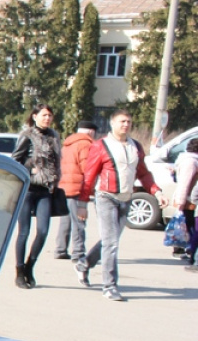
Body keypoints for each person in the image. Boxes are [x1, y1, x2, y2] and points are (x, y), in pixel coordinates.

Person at [76, 109, 164, 301]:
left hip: (126, 198)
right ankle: (110, 286)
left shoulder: (136, 146)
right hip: (106, 197)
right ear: (112, 124)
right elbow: (89, 176)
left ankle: (84, 264)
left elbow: (143, 173)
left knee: (110, 240)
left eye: (129, 121)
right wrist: (82, 203)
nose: (126, 125)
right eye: (122, 121)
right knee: (111, 243)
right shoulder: (101, 146)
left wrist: (156, 191)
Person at [10, 104, 62, 289]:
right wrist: (30, 167)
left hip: (45, 190)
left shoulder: (54, 136)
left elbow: (57, 161)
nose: (47, 118)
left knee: (43, 231)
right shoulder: (28, 135)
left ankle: (30, 266)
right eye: (44, 115)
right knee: (23, 231)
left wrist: (56, 180)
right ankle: (19, 271)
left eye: (50, 115)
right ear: (34, 116)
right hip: (28, 189)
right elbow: (15, 159)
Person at [59, 120, 98, 264]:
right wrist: (91, 188)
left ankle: (60, 249)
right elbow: (87, 169)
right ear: (91, 132)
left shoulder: (67, 144)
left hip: (64, 186)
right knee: (79, 221)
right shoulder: (86, 145)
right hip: (77, 187)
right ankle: (78, 252)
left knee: (66, 220)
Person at [171, 138, 198, 269]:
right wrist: (181, 201)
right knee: (191, 228)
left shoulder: (188, 160)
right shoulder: (191, 162)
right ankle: (189, 253)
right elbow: (185, 183)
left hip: (189, 199)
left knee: (189, 227)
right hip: (189, 200)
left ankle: (186, 251)